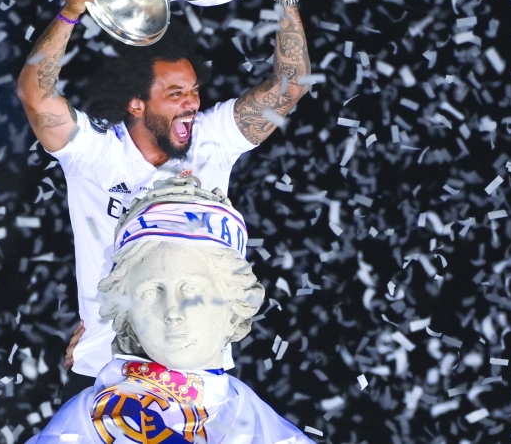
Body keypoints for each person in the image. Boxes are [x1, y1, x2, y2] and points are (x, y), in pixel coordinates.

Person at [16, 0, 323, 399]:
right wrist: (71, 11)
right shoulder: (96, 152)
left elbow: (289, 87)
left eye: (194, 91)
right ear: (137, 104)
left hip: (201, 379)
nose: (192, 103)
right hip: (110, 376)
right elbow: (36, 95)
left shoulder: (211, 139)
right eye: (176, 93)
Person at [26, 178, 313, 443]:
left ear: (235, 304)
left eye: (192, 290)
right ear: (127, 312)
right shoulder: (77, 428)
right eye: (151, 292)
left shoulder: (274, 435)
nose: (172, 311)